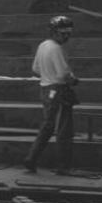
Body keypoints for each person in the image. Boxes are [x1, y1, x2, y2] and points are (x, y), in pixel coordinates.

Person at [23, 15, 79, 174]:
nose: (66, 36)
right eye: (63, 33)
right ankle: (63, 167)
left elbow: (35, 68)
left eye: (68, 33)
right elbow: (63, 74)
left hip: (46, 89)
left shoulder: (43, 45)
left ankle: (31, 158)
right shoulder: (56, 48)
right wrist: (73, 79)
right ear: (54, 32)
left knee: (47, 126)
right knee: (64, 130)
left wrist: (48, 75)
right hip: (59, 90)